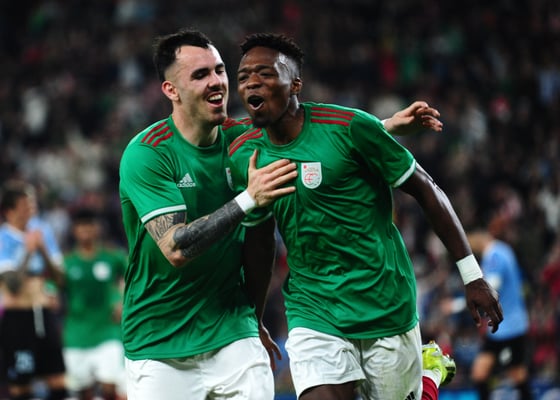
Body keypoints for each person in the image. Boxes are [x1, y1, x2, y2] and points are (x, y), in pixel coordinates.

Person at [118, 28, 447, 400]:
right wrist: (248, 199)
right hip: (159, 340)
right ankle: (429, 381)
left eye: (219, 70)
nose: (216, 82)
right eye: (200, 75)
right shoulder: (149, 154)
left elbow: (318, 137)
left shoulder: (242, 138)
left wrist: (385, 126)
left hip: (233, 329)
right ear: (171, 90)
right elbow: (176, 248)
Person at [227, 32, 504, 400]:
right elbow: (260, 240)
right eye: (244, 77)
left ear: (295, 84)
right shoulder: (244, 154)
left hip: (383, 302)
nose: (251, 83)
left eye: (264, 74)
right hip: (313, 307)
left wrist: (471, 275)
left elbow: (427, 190)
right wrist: (256, 317)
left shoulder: (349, 127)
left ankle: (430, 375)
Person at [0, 180, 69, 400]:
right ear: (10, 210)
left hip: (44, 313)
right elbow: (12, 285)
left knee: (58, 381)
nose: (31, 209)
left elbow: (60, 278)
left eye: (32, 204)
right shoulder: (3, 239)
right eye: (25, 205)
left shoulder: (42, 232)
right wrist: (28, 251)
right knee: (21, 386)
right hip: (17, 318)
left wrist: (44, 250)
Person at [62, 207, 127, 400]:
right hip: (77, 333)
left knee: (109, 387)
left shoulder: (112, 256)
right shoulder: (66, 262)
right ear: (74, 230)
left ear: (97, 228)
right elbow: (51, 286)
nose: (86, 230)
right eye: (81, 226)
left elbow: (133, 277)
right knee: (84, 392)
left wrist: (123, 300)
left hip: (107, 330)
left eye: (90, 225)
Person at [467, 226, 533, 400]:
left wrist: (460, 303)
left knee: (491, 372)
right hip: (512, 324)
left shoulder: (494, 255)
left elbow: (492, 286)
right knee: (513, 373)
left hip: (506, 327)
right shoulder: (504, 250)